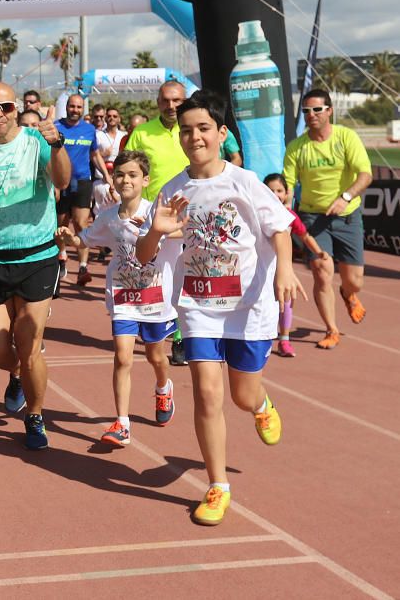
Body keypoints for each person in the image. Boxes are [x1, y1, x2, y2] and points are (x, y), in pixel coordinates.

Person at [136, 90, 304, 526]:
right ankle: (217, 486)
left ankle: (263, 405)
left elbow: (279, 227)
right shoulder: (173, 190)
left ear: (221, 133)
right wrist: (155, 232)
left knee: (242, 394)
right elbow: (143, 255)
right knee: (208, 394)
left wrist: (284, 269)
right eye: (187, 130)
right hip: (198, 306)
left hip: (246, 305)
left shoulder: (244, 181)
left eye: (204, 129)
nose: (195, 137)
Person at [0, 83, 71, 449]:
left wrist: (57, 145)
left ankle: (35, 415)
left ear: (15, 108)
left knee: (29, 341)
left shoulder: (35, 141)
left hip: (36, 256)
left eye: (6, 106)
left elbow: (63, 180)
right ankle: (18, 372)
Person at [58, 150, 179, 446]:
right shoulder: (110, 218)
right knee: (123, 357)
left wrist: (157, 231)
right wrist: (68, 238)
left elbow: (184, 233)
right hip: (124, 297)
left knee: (155, 356)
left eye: (133, 175)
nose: (126, 180)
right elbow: (84, 239)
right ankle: (122, 422)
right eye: (121, 174)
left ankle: (164, 388)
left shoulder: (157, 212)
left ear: (145, 180)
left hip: (155, 298)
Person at [282, 88, 372, 349]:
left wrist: (345, 197)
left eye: (317, 110)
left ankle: (348, 293)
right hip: (312, 218)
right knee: (322, 271)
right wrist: (286, 204)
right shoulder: (297, 147)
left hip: (347, 216)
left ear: (329, 111)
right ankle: (331, 329)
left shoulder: (346, 137)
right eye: (306, 111)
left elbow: (365, 175)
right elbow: (288, 182)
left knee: (355, 280)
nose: (311, 115)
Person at [126, 81, 190, 366]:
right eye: (166, 100)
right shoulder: (142, 133)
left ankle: (179, 338)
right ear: (158, 102)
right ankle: (154, 327)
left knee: (183, 279)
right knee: (155, 278)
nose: (171, 106)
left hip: (188, 216)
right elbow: (128, 169)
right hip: (151, 218)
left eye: (177, 100)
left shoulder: (192, 129)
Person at [263, 173, 328, 357]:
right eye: (270, 190)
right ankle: (260, 338)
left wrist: (319, 252)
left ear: (286, 194)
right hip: (261, 269)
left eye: (279, 190)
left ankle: (284, 341)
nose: (275, 194)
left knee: (286, 303)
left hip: (283, 269)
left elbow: (304, 235)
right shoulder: (256, 213)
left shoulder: (290, 216)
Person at [54, 94, 113, 290]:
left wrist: (106, 175)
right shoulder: (57, 127)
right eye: (72, 106)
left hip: (82, 181)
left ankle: (82, 267)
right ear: (67, 107)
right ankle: (61, 257)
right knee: (61, 224)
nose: (75, 110)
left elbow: (94, 154)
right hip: (61, 182)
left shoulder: (89, 130)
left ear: (83, 110)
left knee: (80, 223)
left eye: (79, 107)